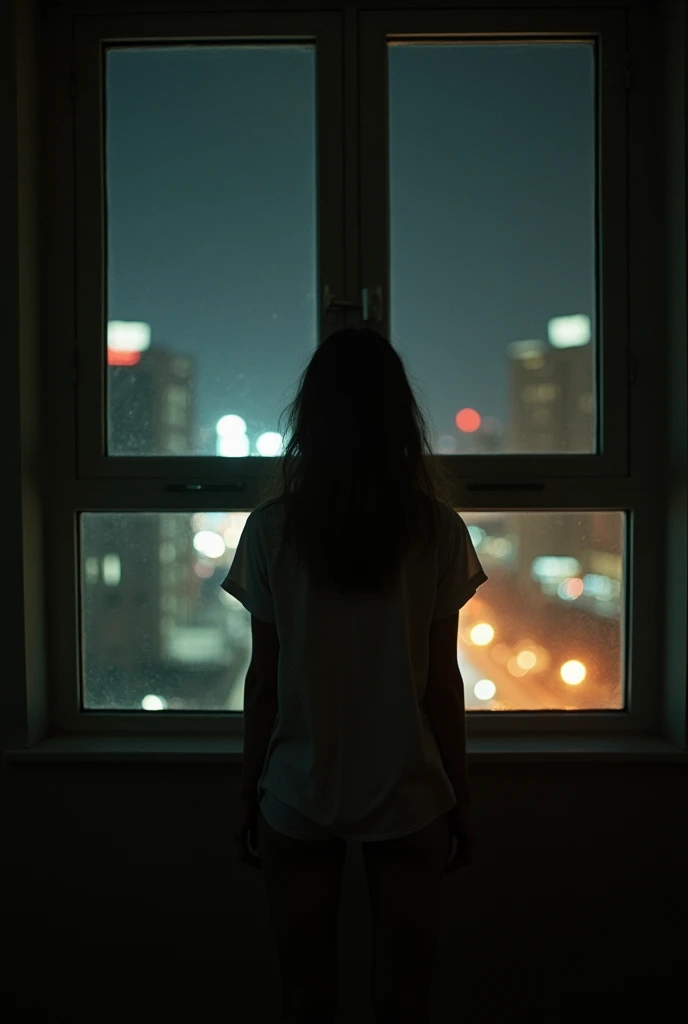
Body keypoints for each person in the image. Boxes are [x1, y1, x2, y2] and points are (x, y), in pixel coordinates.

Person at [223, 327, 487, 1023]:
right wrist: (460, 797)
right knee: (404, 1001)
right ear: (401, 419)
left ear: (310, 420)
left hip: (298, 791)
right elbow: (440, 686)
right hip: (409, 792)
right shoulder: (438, 531)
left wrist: (249, 793)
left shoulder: (271, 531)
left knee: (305, 997)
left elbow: (265, 683)